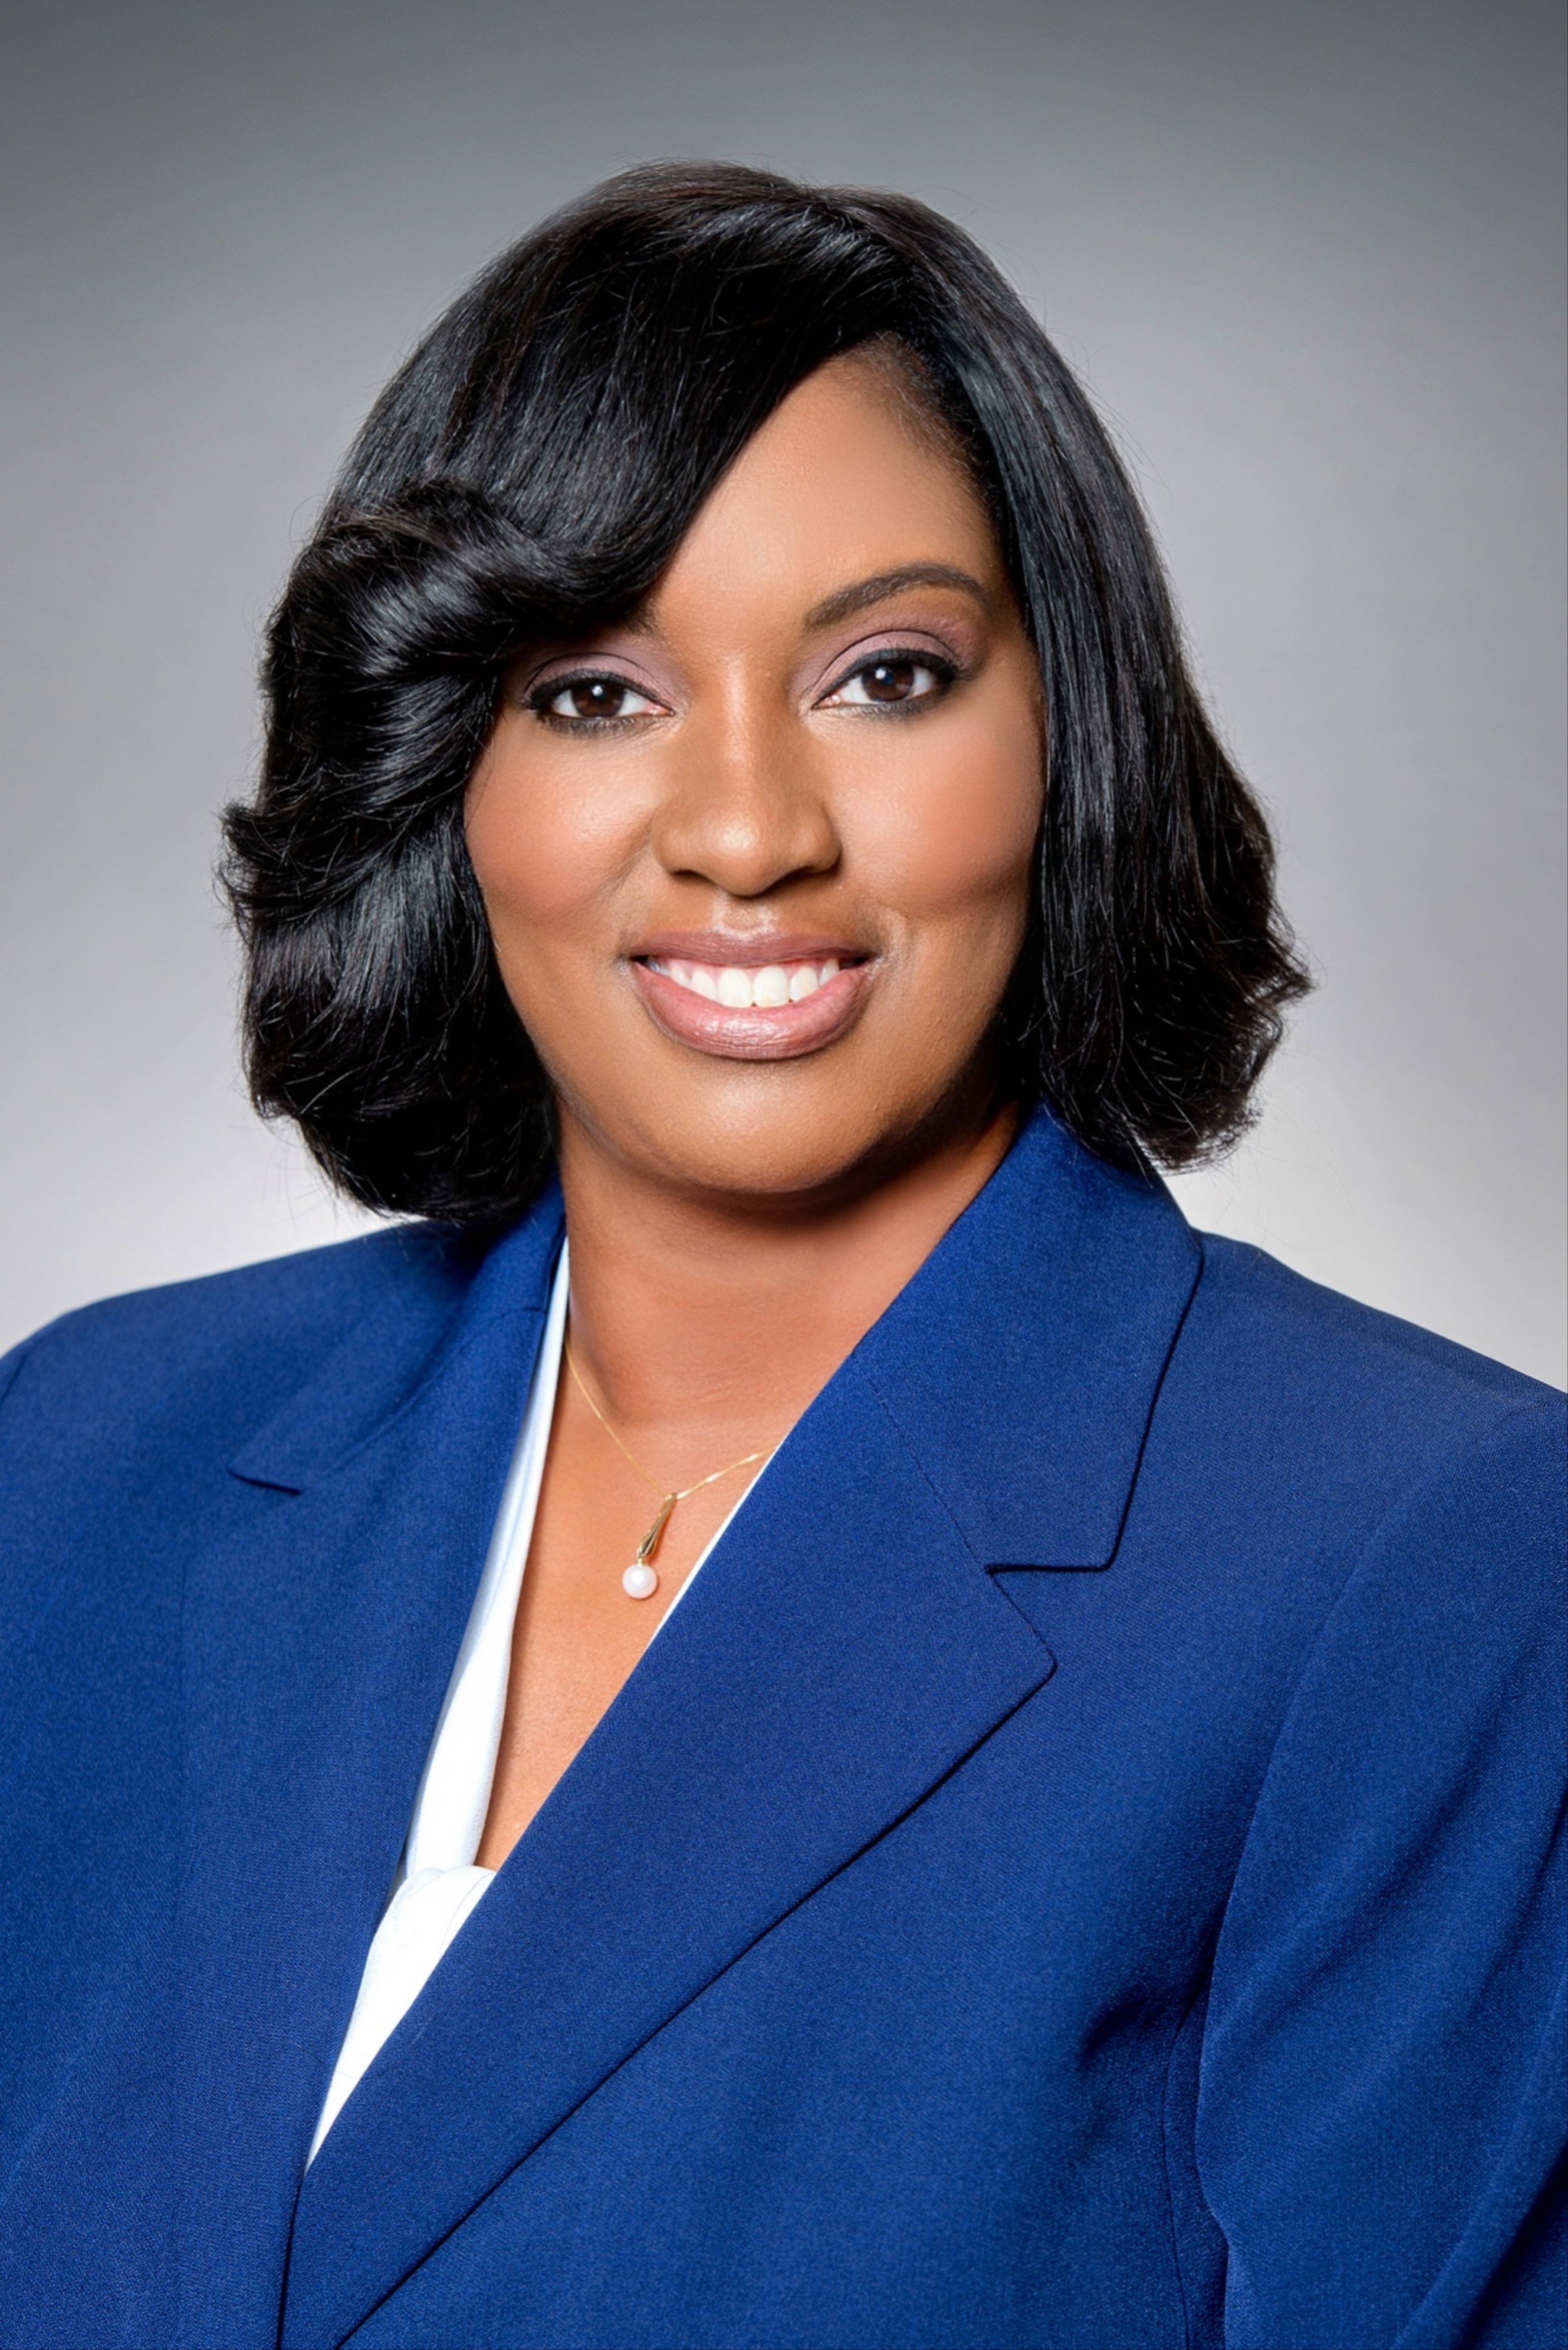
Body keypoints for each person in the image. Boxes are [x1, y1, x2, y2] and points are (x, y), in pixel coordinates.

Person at [0, 162, 1560, 2350]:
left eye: (887, 675)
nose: (748, 831)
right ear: (439, 767)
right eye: (593, 695)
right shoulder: (83, 1453)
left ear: (1063, 733)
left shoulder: (1431, 1563)